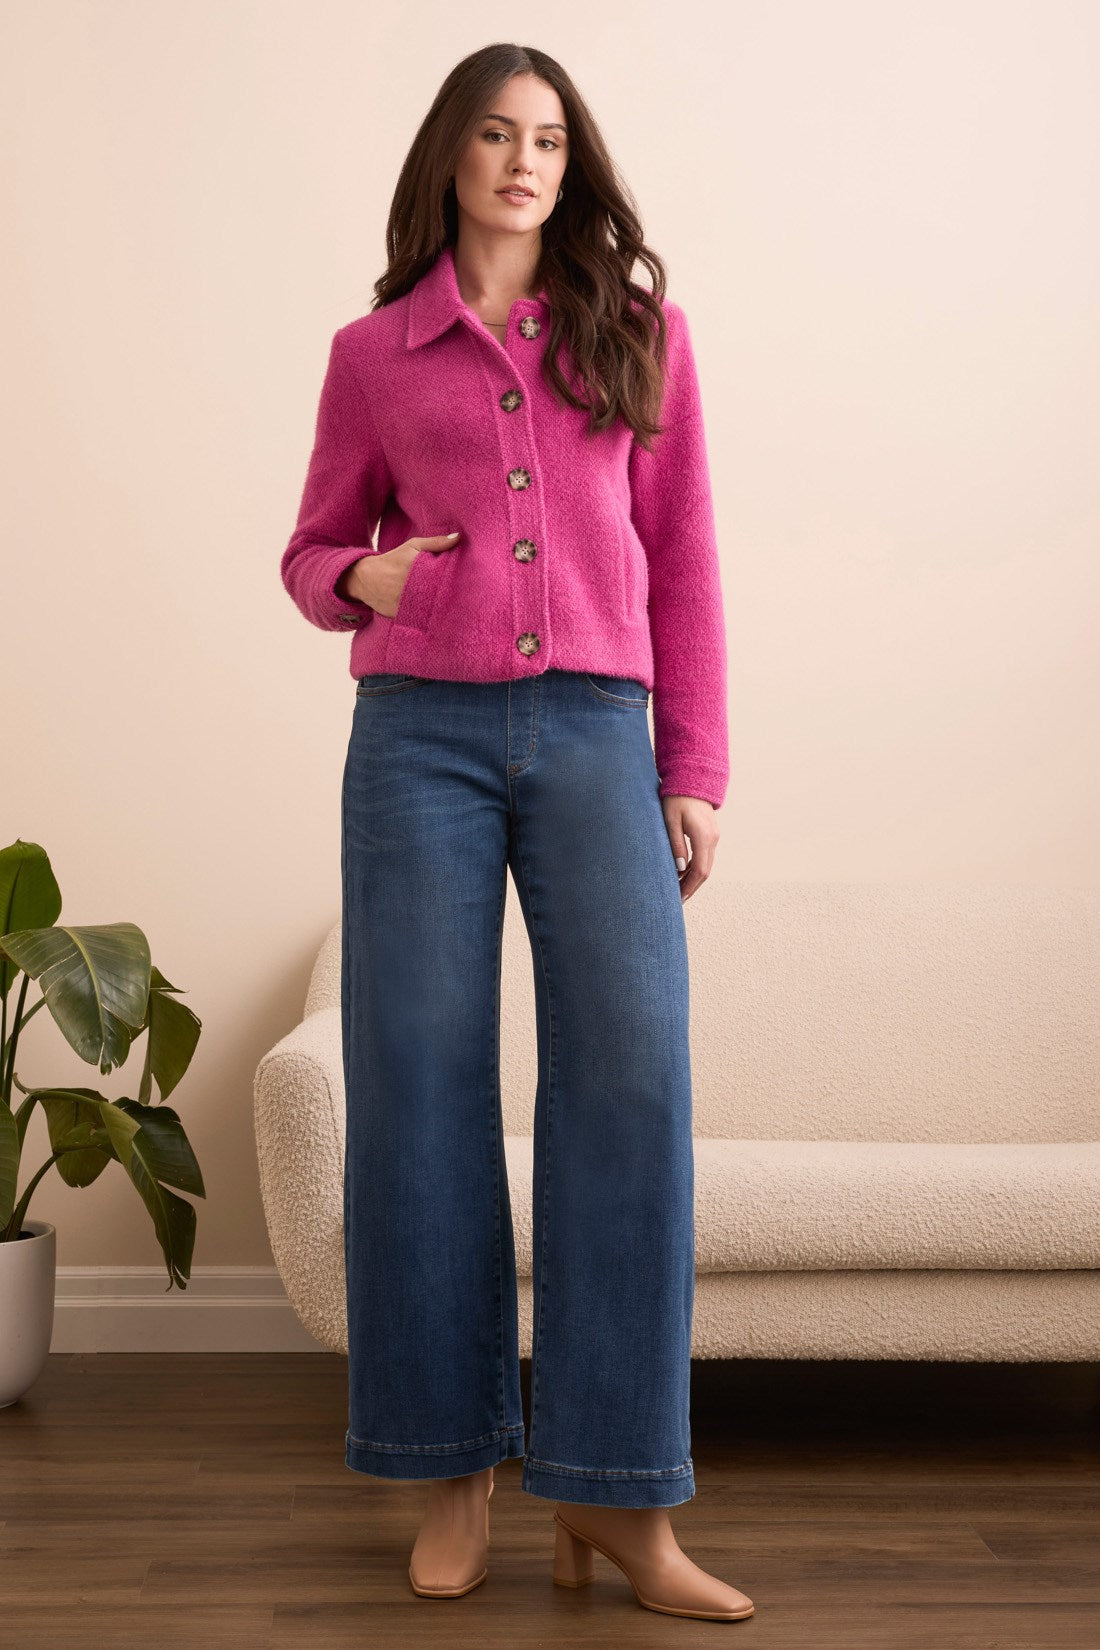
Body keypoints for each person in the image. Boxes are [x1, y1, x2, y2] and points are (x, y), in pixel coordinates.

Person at [280, 42, 754, 1624]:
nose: (525, 159)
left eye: (549, 136)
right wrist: (369, 580)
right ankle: (450, 1462)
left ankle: (621, 1504)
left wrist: (693, 765)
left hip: (601, 735)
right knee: (418, 1081)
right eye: (497, 132)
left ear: (574, 161)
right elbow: (310, 546)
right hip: (415, 739)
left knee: (629, 1075)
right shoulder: (372, 353)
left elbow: (682, 560)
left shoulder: (642, 335)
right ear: (453, 154)